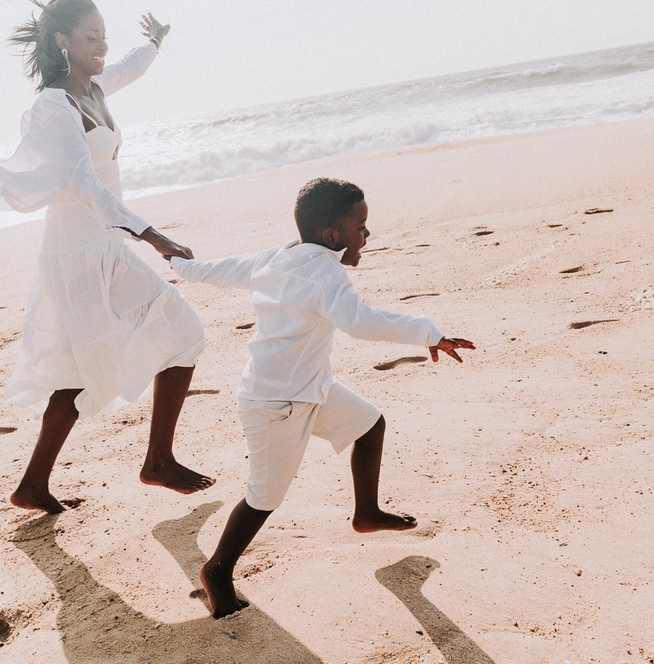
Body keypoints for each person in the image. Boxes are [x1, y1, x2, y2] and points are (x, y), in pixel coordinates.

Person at [166, 177, 475, 618]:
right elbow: (359, 321)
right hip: (277, 404)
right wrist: (429, 332)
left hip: (309, 387)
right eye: (361, 227)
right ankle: (217, 571)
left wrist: (179, 260)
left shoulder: (277, 257)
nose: (367, 235)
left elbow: (216, 270)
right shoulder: (324, 271)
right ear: (333, 236)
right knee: (264, 497)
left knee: (370, 425)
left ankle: (366, 514)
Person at [0, 0, 213, 514]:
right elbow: (82, 183)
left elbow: (133, 65)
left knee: (77, 370)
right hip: (79, 246)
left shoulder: (94, 88)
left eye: (104, 35)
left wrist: (155, 40)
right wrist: (153, 235)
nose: (102, 46)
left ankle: (33, 485)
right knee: (180, 332)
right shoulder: (53, 106)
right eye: (90, 37)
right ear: (63, 42)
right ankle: (158, 462)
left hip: (100, 241)